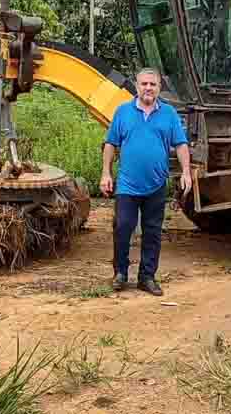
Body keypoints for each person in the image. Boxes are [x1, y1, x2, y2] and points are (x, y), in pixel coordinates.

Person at [101, 67, 192, 296]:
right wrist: (106, 173)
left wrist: (186, 172)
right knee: (123, 226)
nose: (148, 88)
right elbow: (111, 143)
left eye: (153, 84)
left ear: (159, 87)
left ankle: (147, 277)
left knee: (152, 232)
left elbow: (180, 144)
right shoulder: (123, 112)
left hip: (156, 184)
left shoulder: (169, 114)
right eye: (144, 84)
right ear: (137, 85)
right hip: (127, 185)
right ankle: (120, 273)